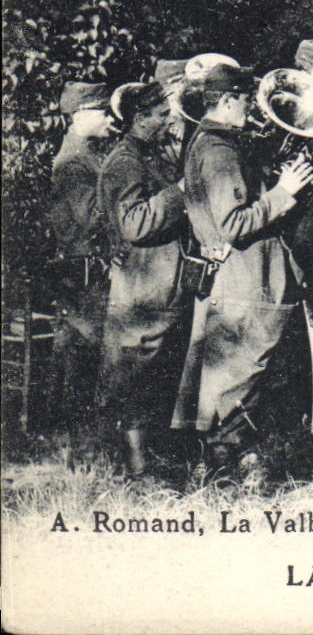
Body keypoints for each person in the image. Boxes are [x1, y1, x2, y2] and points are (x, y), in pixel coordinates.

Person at [170, 62, 313, 486]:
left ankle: (221, 463)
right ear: (229, 99)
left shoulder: (216, 142)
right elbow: (233, 223)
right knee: (239, 369)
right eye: (247, 98)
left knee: (225, 373)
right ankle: (222, 467)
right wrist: (283, 193)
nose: (253, 106)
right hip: (246, 275)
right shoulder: (219, 151)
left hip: (237, 274)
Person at [96, 82, 189, 477]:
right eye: (160, 114)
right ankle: (132, 464)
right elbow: (133, 224)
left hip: (158, 285)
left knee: (149, 371)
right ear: (140, 120)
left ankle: (146, 458)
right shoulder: (124, 162)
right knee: (133, 371)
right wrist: (180, 192)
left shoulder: (148, 154)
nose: (169, 118)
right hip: (141, 287)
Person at [46, 81, 116, 436]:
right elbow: (93, 219)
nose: (109, 117)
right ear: (78, 116)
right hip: (85, 272)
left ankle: (80, 436)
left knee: (82, 353)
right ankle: (81, 439)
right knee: (85, 352)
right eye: (101, 111)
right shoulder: (73, 162)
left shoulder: (87, 153)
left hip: (89, 269)